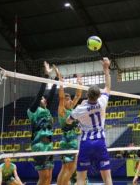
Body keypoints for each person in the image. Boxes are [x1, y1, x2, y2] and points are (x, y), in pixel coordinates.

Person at [66, 57, 112, 185]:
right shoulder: (102, 102)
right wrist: (106, 68)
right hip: (100, 142)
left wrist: (76, 117)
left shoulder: (80, 109)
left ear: (87, 95)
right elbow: (108, 87)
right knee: (107, 178)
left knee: (81, 178)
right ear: (98, 95)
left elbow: (68, 121)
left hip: (86, 143)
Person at [27, 61, 57, 185]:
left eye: (44, 98)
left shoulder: (47, 110)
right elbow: (41, 92)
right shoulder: (33, 110)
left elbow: (51, 93)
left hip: (49, 144)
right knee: (44, 176)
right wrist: (46, 75)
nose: (44, 98)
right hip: (39, 145)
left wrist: (56, 78)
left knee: (49, 175)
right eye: (42, 98)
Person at [55, 66, 83, 185]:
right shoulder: (62, 110)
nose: (71, 101)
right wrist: (60, 82)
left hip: (66, 142)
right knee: (71, 169)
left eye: (71, 99)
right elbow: (61, 97)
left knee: (65, 168)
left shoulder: (70, 110)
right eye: (69, 99)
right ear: (64, 101)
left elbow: (78, 96)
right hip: (69, 143)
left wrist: (79, 83)